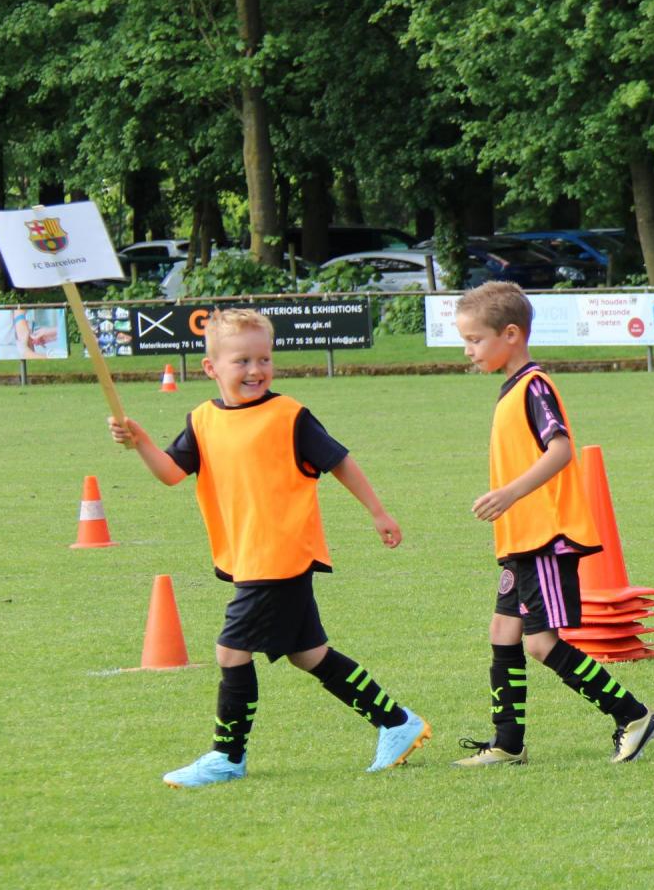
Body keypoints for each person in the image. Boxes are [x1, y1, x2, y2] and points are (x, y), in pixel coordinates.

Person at [109, 308, 430, 787]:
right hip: (248, 557)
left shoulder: (289, 416)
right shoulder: (202, 421)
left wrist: (378, 512)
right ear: (211, 367)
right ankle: (396, 722)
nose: (256, 370)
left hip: (279, 554)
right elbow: (171, 473)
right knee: (309, 654)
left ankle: (227, 756)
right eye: (241, 361)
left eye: (264, 359)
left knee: (229, 652)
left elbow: (339, 461)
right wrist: (139, 442)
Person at [448, 282, 654, 766]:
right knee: (503, 631)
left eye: (475, 340)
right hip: (520, 538)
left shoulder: (534, 386)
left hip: (545, 536)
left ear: (510, 334)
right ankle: (507, 744)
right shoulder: (512, 388)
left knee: (541, 644)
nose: (468, 351)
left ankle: (633, 716)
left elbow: (560, 450)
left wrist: (509, 493)